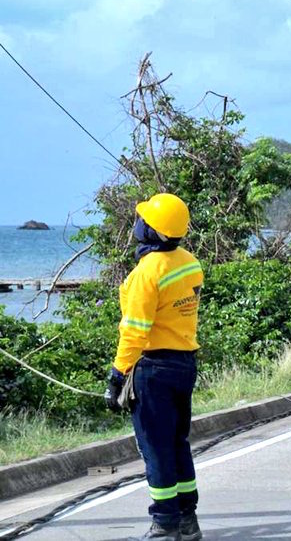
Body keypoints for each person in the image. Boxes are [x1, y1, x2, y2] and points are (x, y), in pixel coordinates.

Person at [103, 193, 204, 541]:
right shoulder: (190, 262)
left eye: (143, 220)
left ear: (153, 231)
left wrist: (117, 376)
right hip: (184, 364)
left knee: (156, 447)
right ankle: (188, 521)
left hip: (154, 370)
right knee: (178, 443)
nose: (138, 224)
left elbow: (134, 331)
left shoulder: (146, 274)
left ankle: (164, 525)